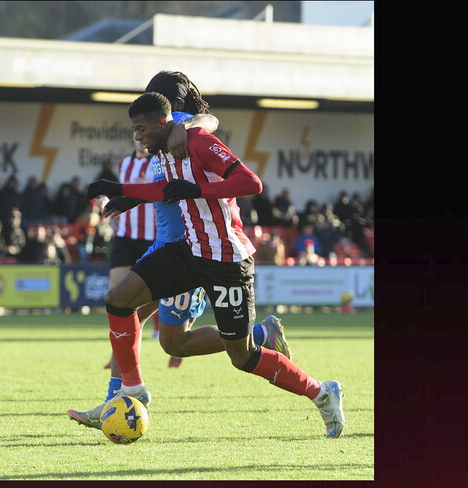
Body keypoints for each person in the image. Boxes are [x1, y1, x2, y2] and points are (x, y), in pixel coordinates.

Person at [83, 92, 345, 438]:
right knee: (119, 299)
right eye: (134, 129)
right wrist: (122, 191)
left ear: (164, 122)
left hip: (227, 260)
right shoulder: (163, 148)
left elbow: (251, 183)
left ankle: (322, 393)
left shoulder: (199, 141)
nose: (138, 136)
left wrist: (197, 190)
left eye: (141, 128)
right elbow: (167, 190)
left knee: (243, 357)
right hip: (190, 251)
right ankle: (132, 389)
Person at [68, 72, 290, 429]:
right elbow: (167, 184)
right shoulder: (172, 131)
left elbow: (209, 127)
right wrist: (130, 196)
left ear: (171, 106)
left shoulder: (182, 126)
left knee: (133, 314)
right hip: (171, 243)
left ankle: (119, 399)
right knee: (169, 340)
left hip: (188, 247)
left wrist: (187, 126)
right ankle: (262, 335)